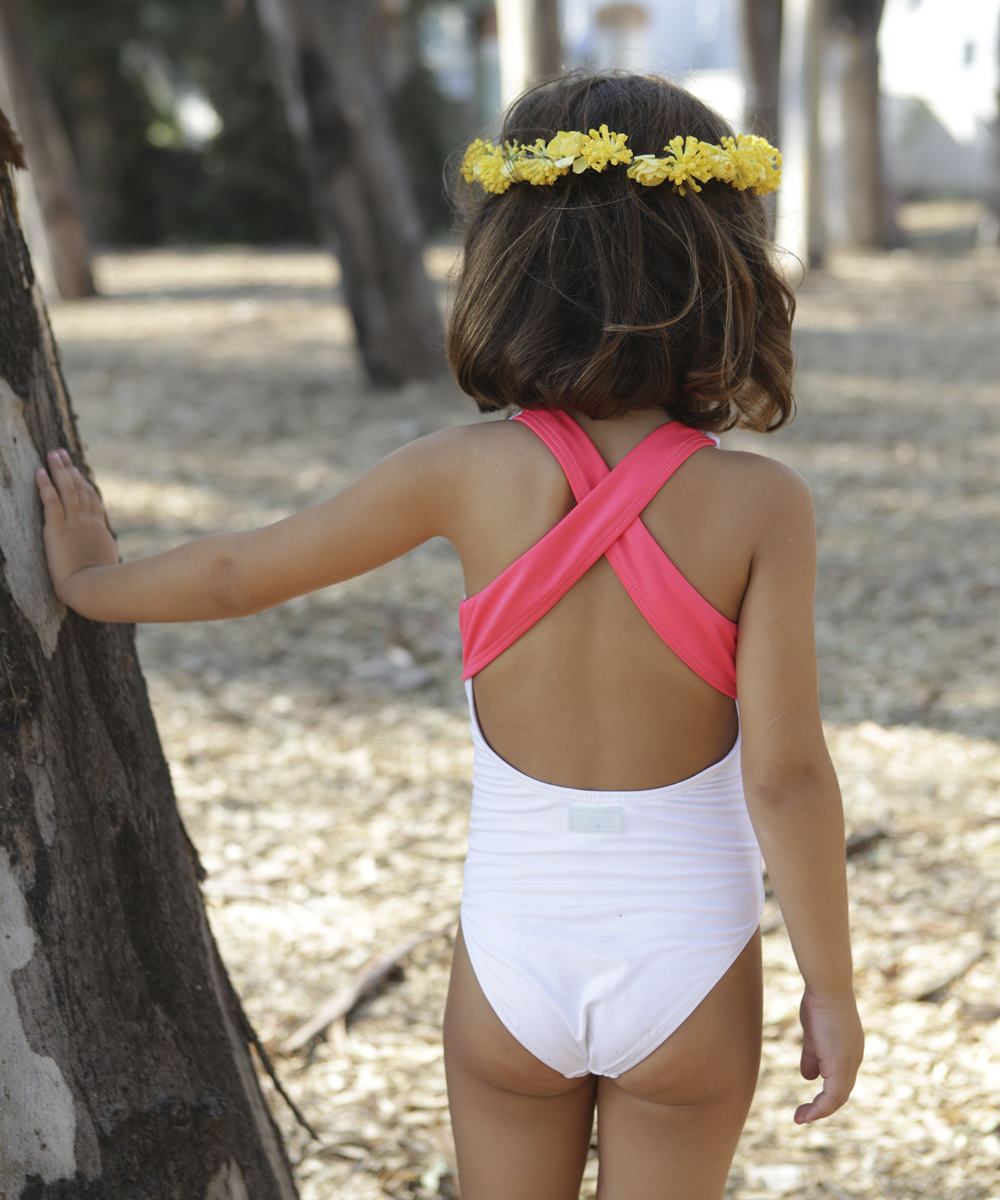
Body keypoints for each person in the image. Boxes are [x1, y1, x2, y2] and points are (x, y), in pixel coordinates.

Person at [36, 73, 862, 1200]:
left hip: (512, 967)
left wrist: (90, 583)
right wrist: (833, 985)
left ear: (509, 268)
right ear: (723, 274)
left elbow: (238, 576)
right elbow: (787, 777)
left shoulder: (459, 472)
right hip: (690, 970)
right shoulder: (762, 506)